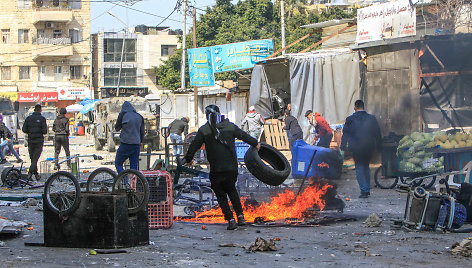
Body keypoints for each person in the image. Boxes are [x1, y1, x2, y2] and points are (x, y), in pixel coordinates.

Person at [184, 105, 260, 230]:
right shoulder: (230, 127)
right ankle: (241, 217)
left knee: (221, 194)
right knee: (232, 190)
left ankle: (230, 220)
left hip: (216, 169)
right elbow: (244, 136)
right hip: (232, 168)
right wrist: (256, 143)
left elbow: (194, 146)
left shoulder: (205, 130)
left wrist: (188, 159)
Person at [341, 100, 381, 198]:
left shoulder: (350, 119)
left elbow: (345, 134)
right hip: (368, 147)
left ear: (355, 107)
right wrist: (379, 146)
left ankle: (364, 190)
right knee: (366, 166)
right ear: (364, 107)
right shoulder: (372, 118)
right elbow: (377, 133)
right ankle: (366, 188)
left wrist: (343, 146)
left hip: (356, 147)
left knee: (359, 167)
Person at [114, 101, 144, 174]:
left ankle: (123, 180)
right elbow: (142, 132)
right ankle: (133, 184)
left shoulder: (123, 115)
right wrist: (140, 142)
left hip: (126, 144)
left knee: (118, 163)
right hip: (136, 144)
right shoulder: (139, 116)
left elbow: (117, 128)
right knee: (134, 168)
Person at [22, 104, 47, 180]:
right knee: (35, 159)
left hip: (31, 140)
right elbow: (44, 131)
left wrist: (31, 132)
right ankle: (29, 174)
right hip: (39, 141)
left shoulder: (28, 118)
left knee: (33, 158)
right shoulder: (42, 119)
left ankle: (36, 175)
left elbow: (24, 129)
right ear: (40, 110)